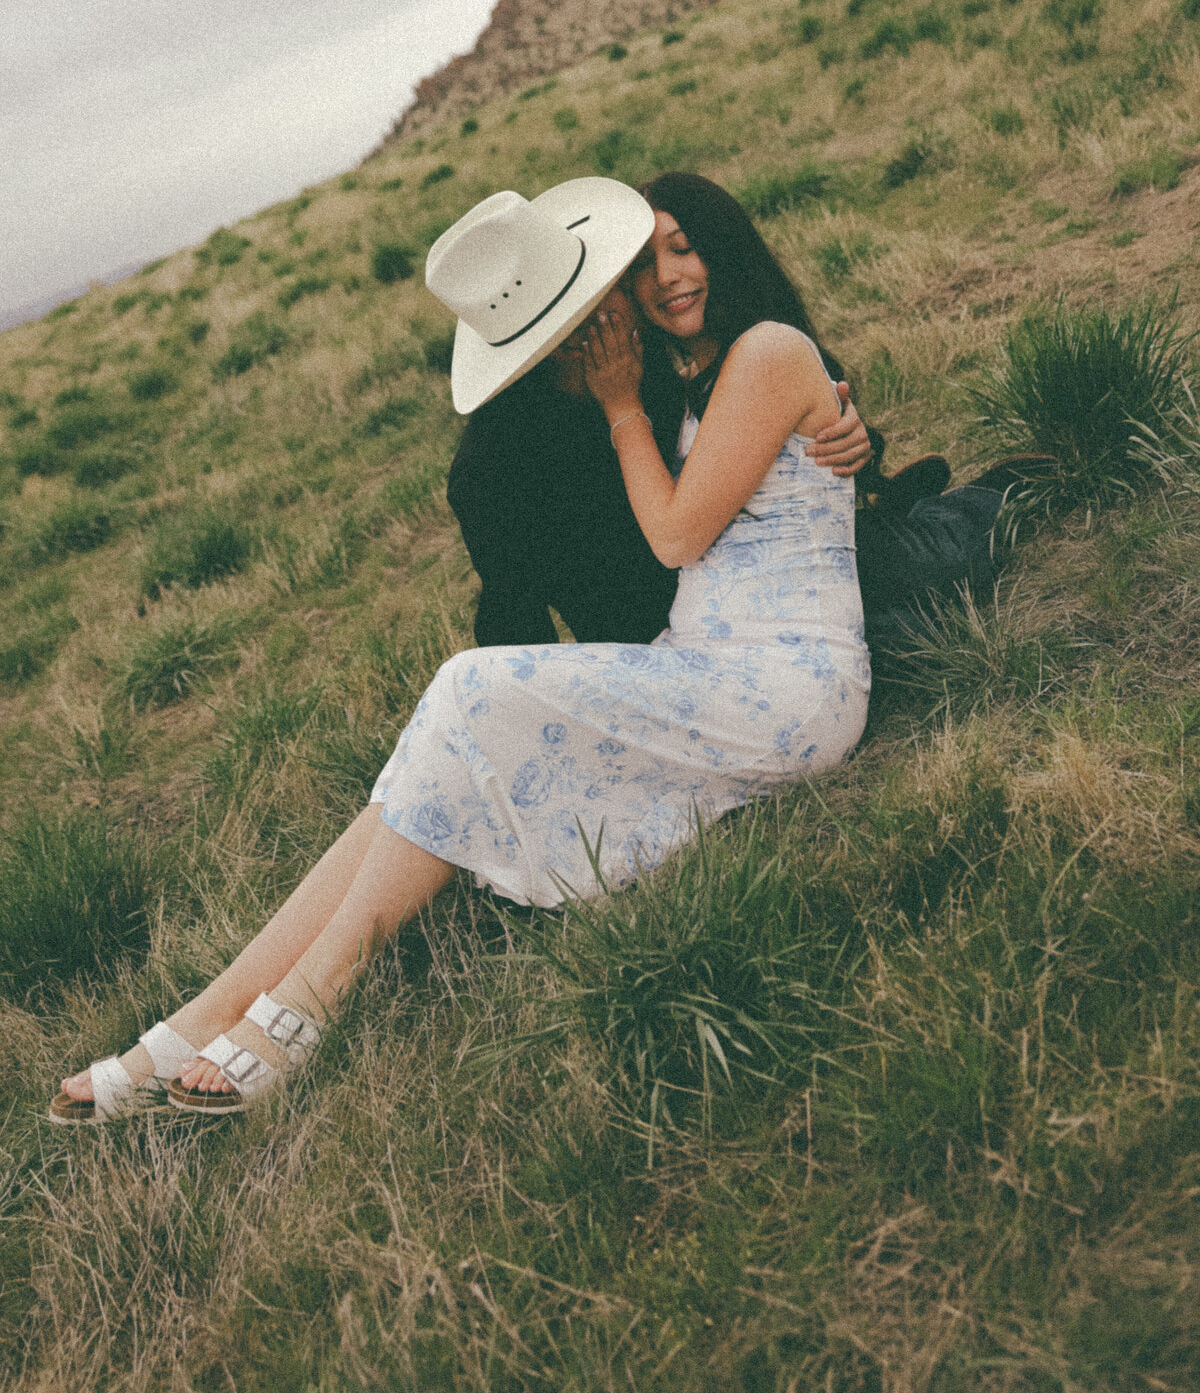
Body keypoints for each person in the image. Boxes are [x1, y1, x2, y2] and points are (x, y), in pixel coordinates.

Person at [51, 174, 871, 1123]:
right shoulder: (505, 458)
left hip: (773, 683)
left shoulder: (698, 359)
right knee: (439, 741)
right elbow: (527, 609)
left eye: (680, 250)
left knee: (467, 700)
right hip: (692, 668)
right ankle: (201, 1018)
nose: (660, 283)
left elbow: (702, 521)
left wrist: (841, 433)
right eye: (643, 264)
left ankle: (304, 1003)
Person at [449, 172, 1011, 662]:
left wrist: (843, 432)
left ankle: (972, 502)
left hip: (779, 577)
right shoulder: (491, 468)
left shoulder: (657, 361)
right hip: (666, 644)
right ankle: (916, 509)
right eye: (563, 325)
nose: (594, 325)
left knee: (899, 611)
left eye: (597, 295)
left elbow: (765, 420)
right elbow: (512, 621)